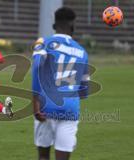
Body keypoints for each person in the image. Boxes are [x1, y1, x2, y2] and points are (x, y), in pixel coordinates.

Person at [32, 7, 89, 160]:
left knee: (43, 156)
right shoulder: (82, 51)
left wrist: (35, 102)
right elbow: (84, 90)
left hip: (46, 106)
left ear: (54, 25)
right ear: (72, 26)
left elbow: (37, 67)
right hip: (70, 109)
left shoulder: (43, 43)